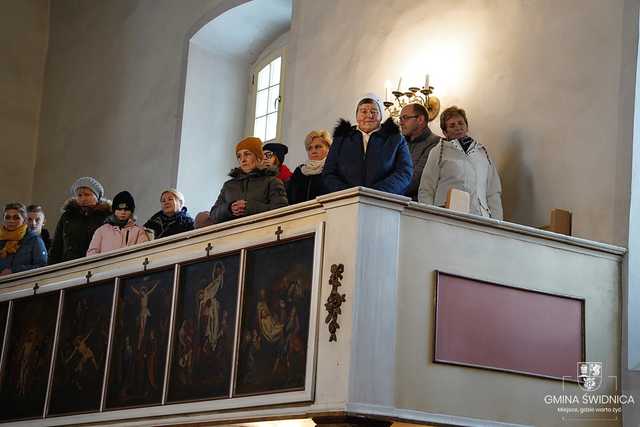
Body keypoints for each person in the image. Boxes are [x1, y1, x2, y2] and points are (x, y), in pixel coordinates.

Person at [418, 106, 503, 219]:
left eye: (460, 123)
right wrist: (429, 218)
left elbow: (493, 192)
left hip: (480, 217)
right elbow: (426, 188)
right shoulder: (439, 151)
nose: (458, 127)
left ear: (466, 126)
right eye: (452, 125)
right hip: (447, 216)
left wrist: (497, 222)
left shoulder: (482, 153)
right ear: (445, 132)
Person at [323, 93, 413, 195]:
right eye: (363, 111)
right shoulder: (341, 140)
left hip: (384, 200)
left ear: (381, 116)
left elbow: (404, 172)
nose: (369, 115)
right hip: (346, 201)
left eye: (374, 112)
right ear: (356, 116)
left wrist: (376, 193)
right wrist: (348, 194)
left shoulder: (396, 140)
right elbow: (328, 173)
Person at [209, 137, 288, 223]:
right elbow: (213, 215)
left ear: (258, 158)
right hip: (232, 234)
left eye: (247, 154)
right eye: (239, 156)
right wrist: (229, 209)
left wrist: (250, 207)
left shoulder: (272, 182)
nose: (243, 160)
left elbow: (281, 211)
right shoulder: (228, 186)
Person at [49, 177, 111, 264]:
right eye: (79, 195)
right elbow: (56, 245)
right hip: (68, 265)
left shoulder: (106, 217)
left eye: (87, 194)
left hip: (95, 265)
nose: (83, 199)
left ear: (97, 197)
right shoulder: (67, 216)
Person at [399, 103, 442, 201]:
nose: (401, 123)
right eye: (400, 119)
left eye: (405, 118)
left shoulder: (436, 143)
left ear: (420, 120)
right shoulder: (399, 142)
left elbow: (416, 180)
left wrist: (385, 190)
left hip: (416, 207)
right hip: (393, 201)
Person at [87, 191, 149, 255]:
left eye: (126, 209)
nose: (123, 212)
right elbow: (92, 253)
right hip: (106, 264)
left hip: (130, 264)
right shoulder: (102, 230)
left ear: (131, 211)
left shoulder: (138, 231)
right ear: (114, 210)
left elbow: (143, 253)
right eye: (119, 209)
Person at [0, 203, 47, 275]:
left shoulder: (34, 240)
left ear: (24, 220)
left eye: (16, 217)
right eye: (8, 217)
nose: (11, 221)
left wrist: (13, 271)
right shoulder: (1, 238)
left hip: (23, 283)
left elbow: (42, 267)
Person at [287, 130, 332, 204]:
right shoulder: (299, 171)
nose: (313, 151)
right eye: (310, 148)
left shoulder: (333, 169)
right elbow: (290, 199)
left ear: (328, 148)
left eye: (318, 147)